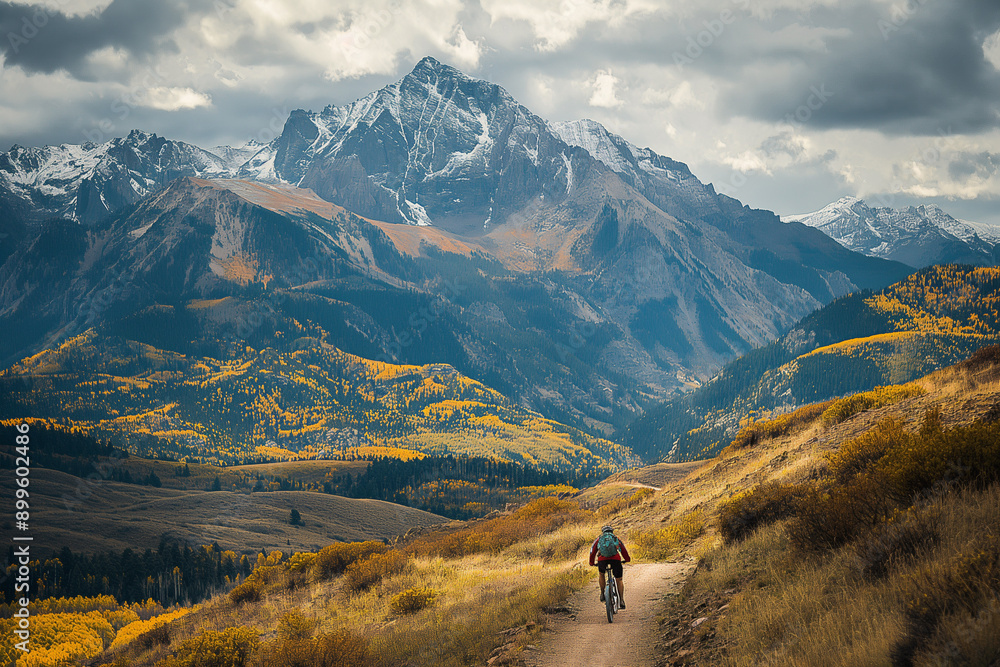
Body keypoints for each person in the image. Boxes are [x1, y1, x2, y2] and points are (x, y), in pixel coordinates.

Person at [589, 525, 631, 609]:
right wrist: (627, 559)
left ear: (603, 532)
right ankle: (622, 600)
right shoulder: (615, 538)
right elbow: (623, 549)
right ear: (612, 531)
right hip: (615, 559)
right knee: (619, 579)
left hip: (602, 560)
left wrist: (592, 563)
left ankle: (602, 593)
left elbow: (592, 551)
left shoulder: (599, 539)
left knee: (601, 574)